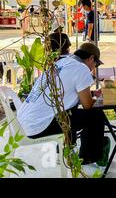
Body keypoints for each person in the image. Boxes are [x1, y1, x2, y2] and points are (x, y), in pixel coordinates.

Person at [17, 43, 106, 174]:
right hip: (38, 126)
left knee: (71, 112)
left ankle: (67, 150)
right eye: (96, 65)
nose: (94, 68)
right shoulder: (81, 69)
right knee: (95, 116)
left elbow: (66, 91)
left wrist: (92, 93)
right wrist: (101, 99)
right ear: (91, 58)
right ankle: (88, 160)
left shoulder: (62, 62)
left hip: (22, 122)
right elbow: (88, 105)